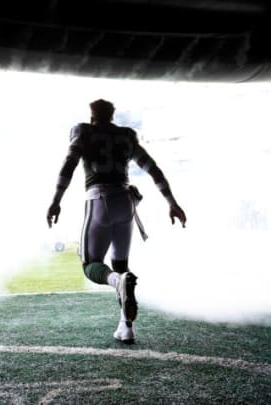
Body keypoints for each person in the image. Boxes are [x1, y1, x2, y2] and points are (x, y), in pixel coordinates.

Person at [46, 99, 186, 344]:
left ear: (92, 115)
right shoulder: (126, 137)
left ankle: (118, 283)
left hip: (99, 199)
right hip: (126, 203)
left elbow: (69, 164)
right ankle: (126, 327)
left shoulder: (85, 132)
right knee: (121, 265)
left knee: (91, 265)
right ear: (112, 115)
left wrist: (56, 200)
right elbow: (153, 169)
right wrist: (172, 203)